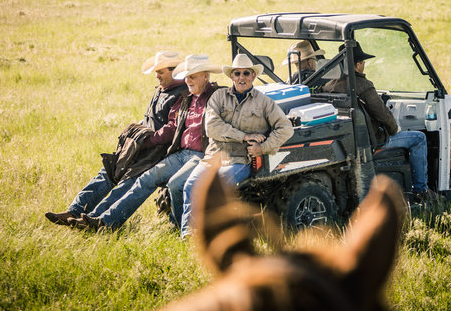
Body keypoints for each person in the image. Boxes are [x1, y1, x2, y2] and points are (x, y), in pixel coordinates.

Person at [67, 55, 222, 230]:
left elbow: (172, 128)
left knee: (174, 183)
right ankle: (102, 221)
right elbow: (172, 123)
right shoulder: (187, 97)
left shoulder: (218, 96)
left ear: (206, 76)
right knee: (143, 178)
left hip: (200, 154)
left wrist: (147, 141)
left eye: (192, 76)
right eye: (186, 76)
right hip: (180, 153)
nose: (188, 80)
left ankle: (178, 226)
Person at [45, 51, 188, 226]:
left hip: (156, 151)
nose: (156, 76)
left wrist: (145, 142)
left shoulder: (181, 94)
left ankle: (97, 219)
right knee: (109, 169)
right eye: (156, 72)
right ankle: (75, 210)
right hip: (143, 145)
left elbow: (172, 128)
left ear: (173, 71)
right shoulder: (162, 89)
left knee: (129, 179)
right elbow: (151, 118)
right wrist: (134, 134)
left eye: (161, 72)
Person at [179, 53, 294, 238]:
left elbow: (286, 128)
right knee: (191, 185)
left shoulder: (264, 102)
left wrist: (263, 148)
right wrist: (244, 136)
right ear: (231, 76)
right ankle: (189, 236)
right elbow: (212, 127)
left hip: (240, 160)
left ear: (253, 76)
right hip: (213, 157)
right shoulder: (218, 97)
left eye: (246, 73)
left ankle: (213, 237)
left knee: (216, 190)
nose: (242, 77)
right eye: (237, 73)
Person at [322, 42, 435, 202]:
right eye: (363, 63)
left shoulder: (328, 86)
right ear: (358, 65)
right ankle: (421, 190)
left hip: (348, 142)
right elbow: (383, 115)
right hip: (372, 142)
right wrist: (395, 129)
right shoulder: (362, 85)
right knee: (419, 139)